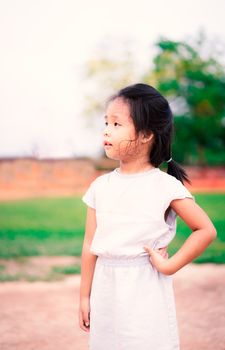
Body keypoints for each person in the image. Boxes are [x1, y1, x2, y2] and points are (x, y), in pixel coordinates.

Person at [78, 83, 217, 350]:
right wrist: (84, 296)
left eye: (117, 124)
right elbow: (89, 245)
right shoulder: (100, 186)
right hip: (106, 288)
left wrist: (169, 265)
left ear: (145, 135)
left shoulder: (164, 186)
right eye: (106, 122)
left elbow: (205, 230)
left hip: (145, 289)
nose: (106, 130)